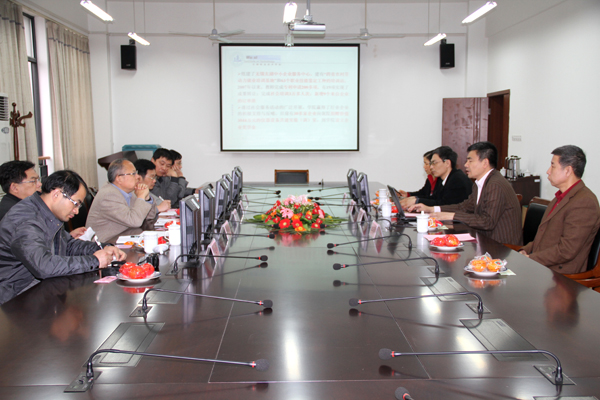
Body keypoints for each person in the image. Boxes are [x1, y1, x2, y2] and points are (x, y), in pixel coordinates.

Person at [0, 170, 125, 304]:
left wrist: (103, 248)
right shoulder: (25, 219)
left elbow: (69, 245)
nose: (76, 211)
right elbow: (43, 266)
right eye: (75, 203)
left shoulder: (46, 213)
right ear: (57, 194)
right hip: (16, 298)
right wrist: (94, 260)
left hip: (41, 288)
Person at [411, 141, 522, 245]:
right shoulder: (480, 183)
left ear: (485, 163)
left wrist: (452, 215)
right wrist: (432, 209)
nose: (466, 165)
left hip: (500, 247)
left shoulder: (495, 184)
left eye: (470, 161)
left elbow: (487, 221)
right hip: (485, 240)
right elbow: (464, 207)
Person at [519, 145, 600, 274]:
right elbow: (543, 239)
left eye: (553, 166)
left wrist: (530, 259)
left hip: (561, 276)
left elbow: (567, 250)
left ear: (568, 171)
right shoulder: (560, 197)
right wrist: (525, 250)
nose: (548, 171)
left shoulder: (585, 202)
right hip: (542, 266)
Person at [86, 159, 158, 243]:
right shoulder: (109, 195)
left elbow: (149, 217)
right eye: (133, 174)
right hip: (105, 243)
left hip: (124, 236)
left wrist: (147, 198)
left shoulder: (129, 192)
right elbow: (135, 221)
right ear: (119, 178)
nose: (137, 177)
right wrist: (141, 196)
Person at [403, 146, 472, 208]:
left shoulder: (458, 180)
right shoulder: (442, 179)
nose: (431, 167)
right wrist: (414, 199)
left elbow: (446, 204)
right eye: (430, 163)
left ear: (447, 163)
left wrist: (417, 201)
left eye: (434, 163)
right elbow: (435, 198)